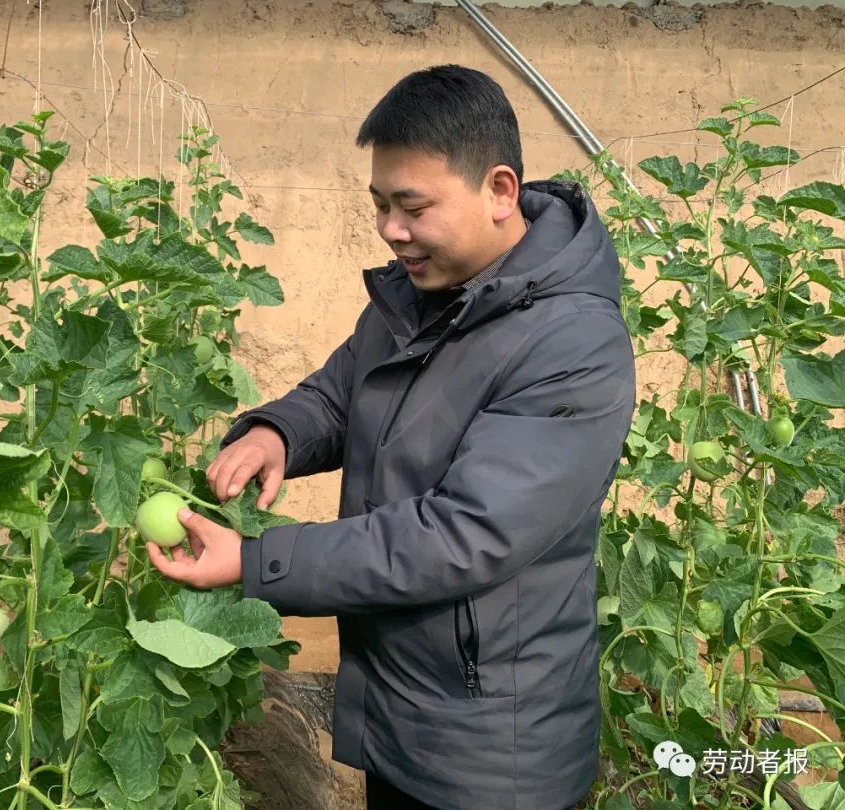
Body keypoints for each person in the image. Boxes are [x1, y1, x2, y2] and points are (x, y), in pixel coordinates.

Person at [146, 64, 636, 810]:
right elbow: (343, 393)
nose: (390, 230)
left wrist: (254, 563)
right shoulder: (422, 294)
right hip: (402, 716)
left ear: (500, 191)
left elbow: (460, 535)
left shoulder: (574, 344)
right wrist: (279, 431)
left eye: (412, 206)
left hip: (492, 756)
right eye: (379, 204)